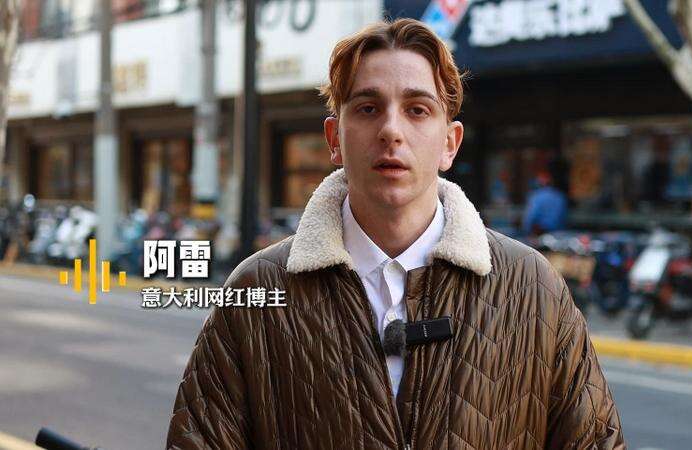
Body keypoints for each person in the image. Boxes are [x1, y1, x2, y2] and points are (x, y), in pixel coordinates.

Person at [166, 18, 624, 449]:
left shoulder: (532, 288)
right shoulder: (255, 291)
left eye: (417, 110)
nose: (391, 130)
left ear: (450, 143)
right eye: (368, 108)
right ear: (334, 139)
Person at [521, 172, 568, 237]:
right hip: (558, 233)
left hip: (540, 233)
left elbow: (530, 216)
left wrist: (526, 231)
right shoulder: (560, 196)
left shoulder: (536, 196)